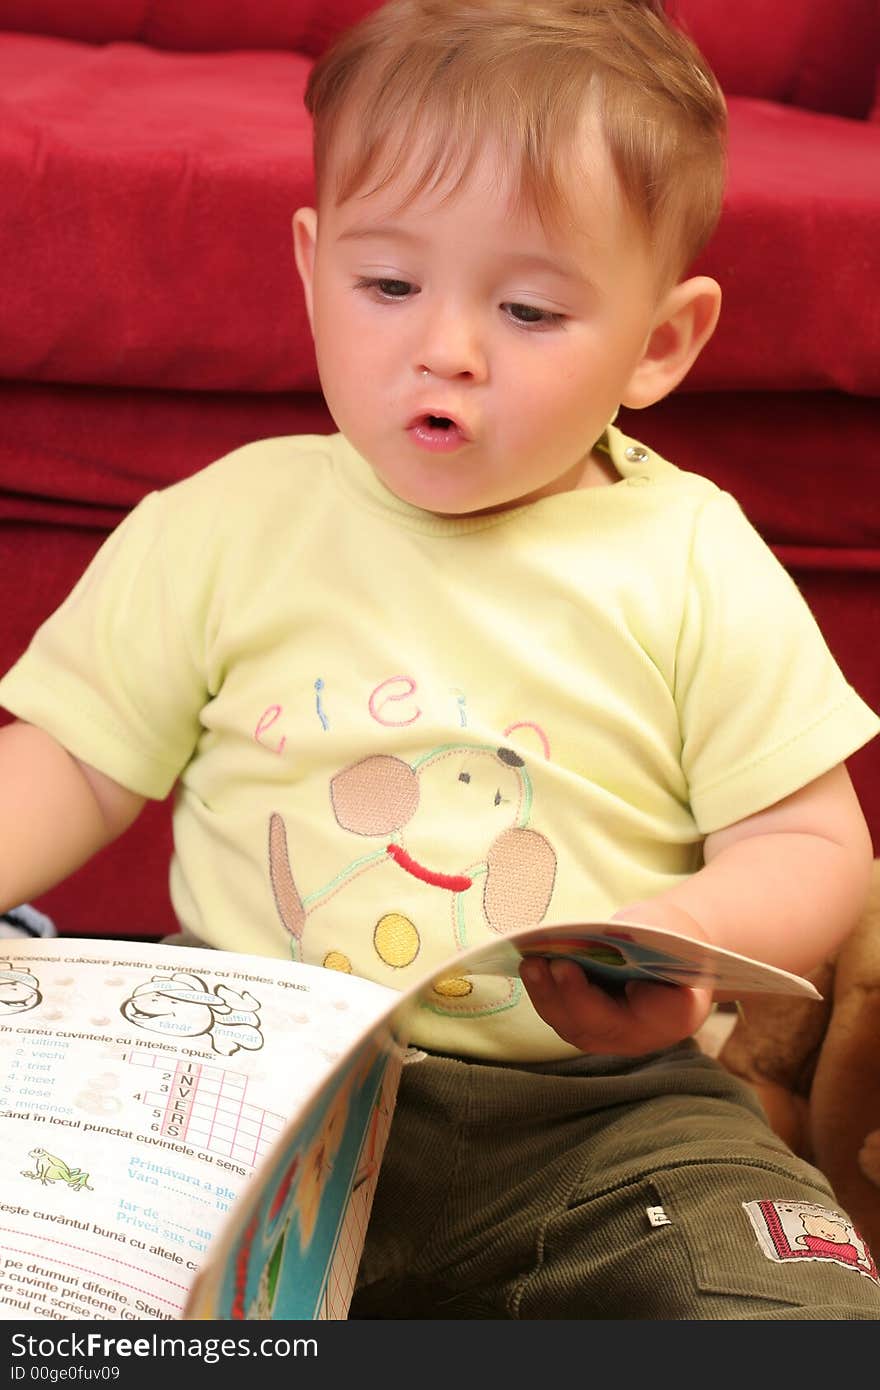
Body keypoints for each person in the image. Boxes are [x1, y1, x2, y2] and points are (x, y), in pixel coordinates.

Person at [0, 0, 878, 1318]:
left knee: (790, 1302)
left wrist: (687, 931)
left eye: (527, 307)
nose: (445, 347)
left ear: (660, 343)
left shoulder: (691, 554)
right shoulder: (222, 523)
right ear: (310, 267)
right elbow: (71, 760)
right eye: (389, 284)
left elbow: (818, 849)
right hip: (254, 1098)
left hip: (610, 1120)